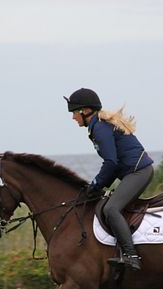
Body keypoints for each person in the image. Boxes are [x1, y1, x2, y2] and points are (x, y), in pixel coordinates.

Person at [64, 88, 154, 271]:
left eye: (74, 112)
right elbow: (113, 164)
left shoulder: (100, 128)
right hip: (133, 172)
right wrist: (97, 186)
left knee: (111, 208)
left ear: (84, 111)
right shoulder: (98, 126)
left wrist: (96, 184)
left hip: (139, 172)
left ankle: (131, 256)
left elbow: (111, 162)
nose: (73, 117)